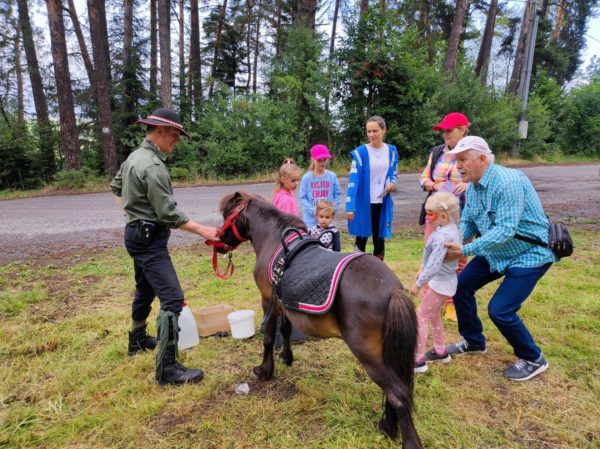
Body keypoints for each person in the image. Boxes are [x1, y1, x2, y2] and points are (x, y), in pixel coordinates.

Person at [110, 107, 219, 386]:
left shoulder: (135, 157)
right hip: (148, 240)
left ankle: (137, 339)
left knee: (145, 289)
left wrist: (131, 214)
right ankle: (167, 368)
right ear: (158, 131)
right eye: (174, 134)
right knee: (172, 298)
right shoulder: (153, 166)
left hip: (136, 235)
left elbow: (116, 186)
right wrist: (203, 230)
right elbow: (168, 214)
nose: (177, 140)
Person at [443, 136, 556, 381]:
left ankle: (533, 358)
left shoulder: (509, 182)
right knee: (460, 287)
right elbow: (469, 221)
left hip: (528, 254)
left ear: (482, 159)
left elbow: (505, 230)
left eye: (462, 160)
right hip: (496, 251)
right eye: (456, 161)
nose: (457, 166)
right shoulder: (473, 186)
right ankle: (473, 342)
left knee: (500, 310)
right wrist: (454, 240)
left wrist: (463, 251)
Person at [419, 112, 470, 322]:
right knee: (432, 255)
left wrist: (468, 185)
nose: (445, 134)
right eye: (443, 131)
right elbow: (423, 179)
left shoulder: (471, 152)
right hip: (435, 214)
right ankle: (428, 298)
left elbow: (483, 177)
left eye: (450, 130)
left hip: (461, 216)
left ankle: (453, 303)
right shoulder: (437, 152)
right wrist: (434, 184)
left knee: (457, 258)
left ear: (463, 129)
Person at [409, 192, 461, 373]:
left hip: (440, 283)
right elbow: (429, 261)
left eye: (430, 214)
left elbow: (434, 264)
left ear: (443, 216)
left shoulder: (443, 237)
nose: (427, 218)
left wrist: (418, 283)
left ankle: (418, 359)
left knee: (420, 316)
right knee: (434, 315)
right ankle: (440, 350)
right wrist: (421, 268)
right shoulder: (449, 228)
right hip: (445, 281)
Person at [345, 116, 398, 261]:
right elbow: (353, 181)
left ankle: (378, 271)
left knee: (379, 237)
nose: (371, 135)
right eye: (368, 131)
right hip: (364, 202)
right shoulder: (360, 153)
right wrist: (350, 206)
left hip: (382, 201)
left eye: (375, 130)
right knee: (361, 237)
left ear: (384, 130)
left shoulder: (392, 151)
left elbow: (393, 173)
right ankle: (357, 268)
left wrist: (393, 183)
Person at [299, 144, 342, 228]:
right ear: (313, 160)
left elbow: (338, 194)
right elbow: (302, 197)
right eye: (319, 160)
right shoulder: (307, 177)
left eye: (324, 160)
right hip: (311, 221)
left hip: (326, 220)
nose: (322, 163)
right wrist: (314, 211)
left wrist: (333, 209)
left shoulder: (332, 176)